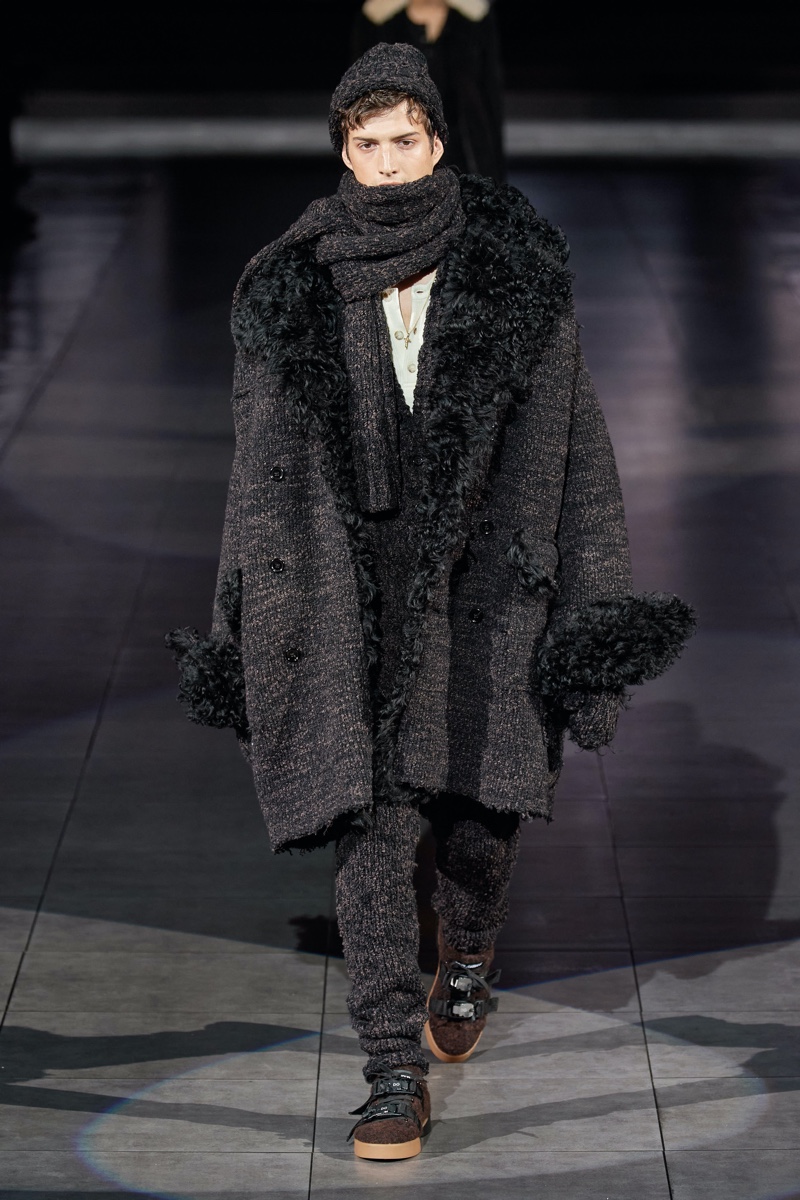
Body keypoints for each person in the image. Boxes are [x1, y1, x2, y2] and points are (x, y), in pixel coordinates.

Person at [168, 43, 695, 1161]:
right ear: (343, 152)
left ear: (439, 142)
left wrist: (592, 609)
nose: (389, 161)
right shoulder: (290, 285)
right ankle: (388, 1070)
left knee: (474, 827)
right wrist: (237, 623)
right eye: (367, 143)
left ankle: (466, 951)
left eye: (405, 139)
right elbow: (256, 473)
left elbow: (578, 453)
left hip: (483, 586)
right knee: (367, 824)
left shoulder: (513, 268)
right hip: (343, 587)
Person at [351, 0, 505, 180]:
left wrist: (495, 176)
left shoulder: (475, 18)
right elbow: (355, 104)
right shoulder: (376, 20)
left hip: (467, 154)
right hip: (396, 160)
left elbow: (491, 97)